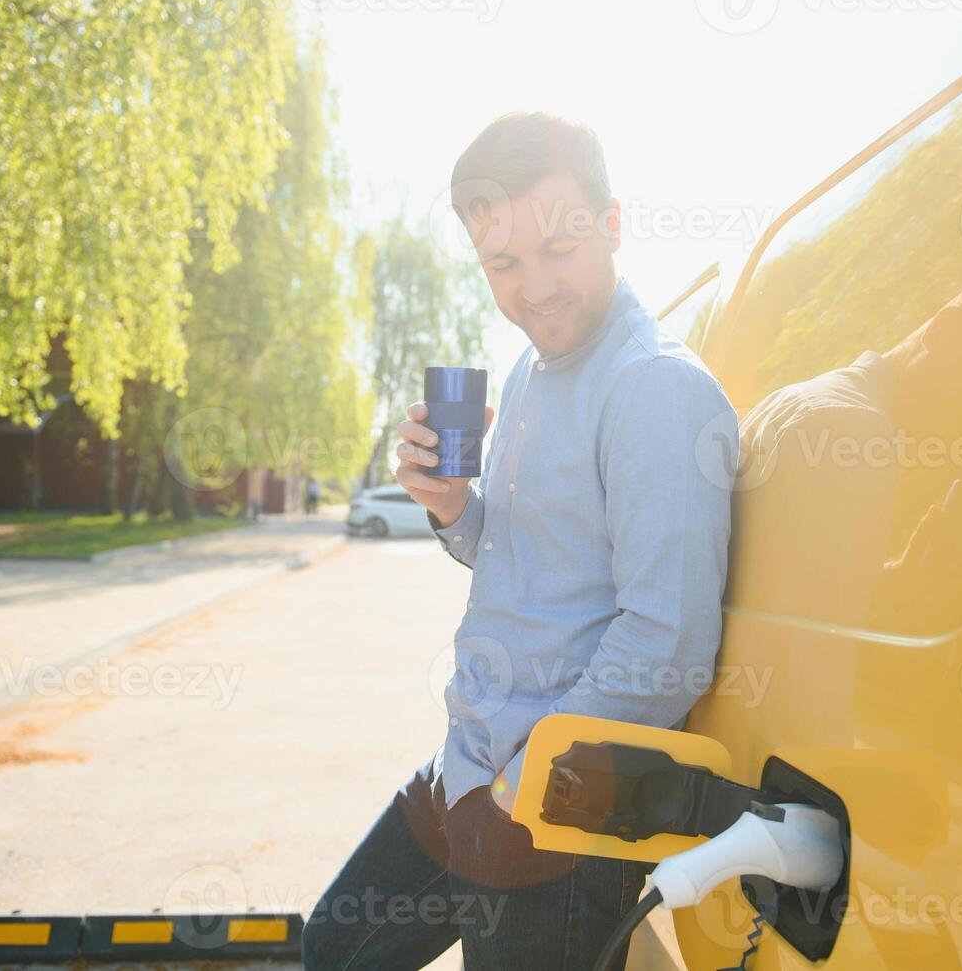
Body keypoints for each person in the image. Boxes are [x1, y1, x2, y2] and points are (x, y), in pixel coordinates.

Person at [302, 113, 737, 970]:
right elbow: (509, 559)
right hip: (463, 769)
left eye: (557, 249)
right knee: (336, 949)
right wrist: (450, 506)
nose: (533, 287)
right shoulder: (527, 370)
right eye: (502, 263)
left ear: (611, 226)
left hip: (552, 807)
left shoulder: (654, 390)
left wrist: (517, 791)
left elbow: (669, 645)